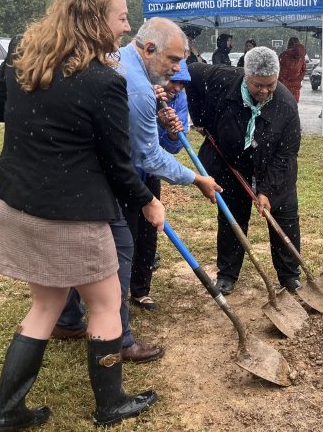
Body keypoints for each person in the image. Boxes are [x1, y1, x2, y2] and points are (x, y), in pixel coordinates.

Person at [0, 0, 165, 430]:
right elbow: (121, 167)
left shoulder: (26, 48)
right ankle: (111, 403)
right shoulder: (102, 81)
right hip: (68, 215)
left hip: (16, 201)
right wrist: (149, 203)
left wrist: (44, 121)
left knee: (45, 307)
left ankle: (6, 413)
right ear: (93, 19)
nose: (126, 28)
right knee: (104, 304)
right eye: (121, 18)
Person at [54, 18, 220, 362]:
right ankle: (121, 339)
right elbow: (147, 156)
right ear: (148, 49)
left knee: (80, 250)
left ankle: (69, 319)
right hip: (106, 182)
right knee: (120, 253)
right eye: (173, 61)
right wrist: (196, 179)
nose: (178, 70)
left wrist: (169, 129)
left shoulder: (118, 60)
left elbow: (155, 148)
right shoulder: (139, 91)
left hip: (79, 176)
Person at [187, 46, 302, 295]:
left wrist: (267, 191)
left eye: (270, 85)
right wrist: (201, 119)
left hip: (272, 164)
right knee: (232, 218)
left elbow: (286, 155)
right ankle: (227, 274)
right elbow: (191, 73)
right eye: (258, 85)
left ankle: (290, 276)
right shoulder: (221, 78)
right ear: (246, 77)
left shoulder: (286, 106)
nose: (264, 91)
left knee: (285, 217)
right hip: (231, 161)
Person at [129, 60, 191, 311]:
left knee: (148, 232)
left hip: (149, 172)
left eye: (182, 83)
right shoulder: (142, 90)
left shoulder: (178, 100)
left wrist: (172, 131)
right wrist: (151, 107)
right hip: (124, 171)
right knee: (124, 233)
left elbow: (174, 146)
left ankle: (140, 290)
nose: (177, 87)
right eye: (173, 81)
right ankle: (115, 296)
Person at [278, 36, 307, 103]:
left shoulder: (283, 55)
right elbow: (304, 70)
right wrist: (298, 79)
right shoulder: (301, 57)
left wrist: (282, 80)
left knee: (284, 105)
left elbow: (279, 69)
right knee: (293, 105)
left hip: (284, 85)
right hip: (295, 86)